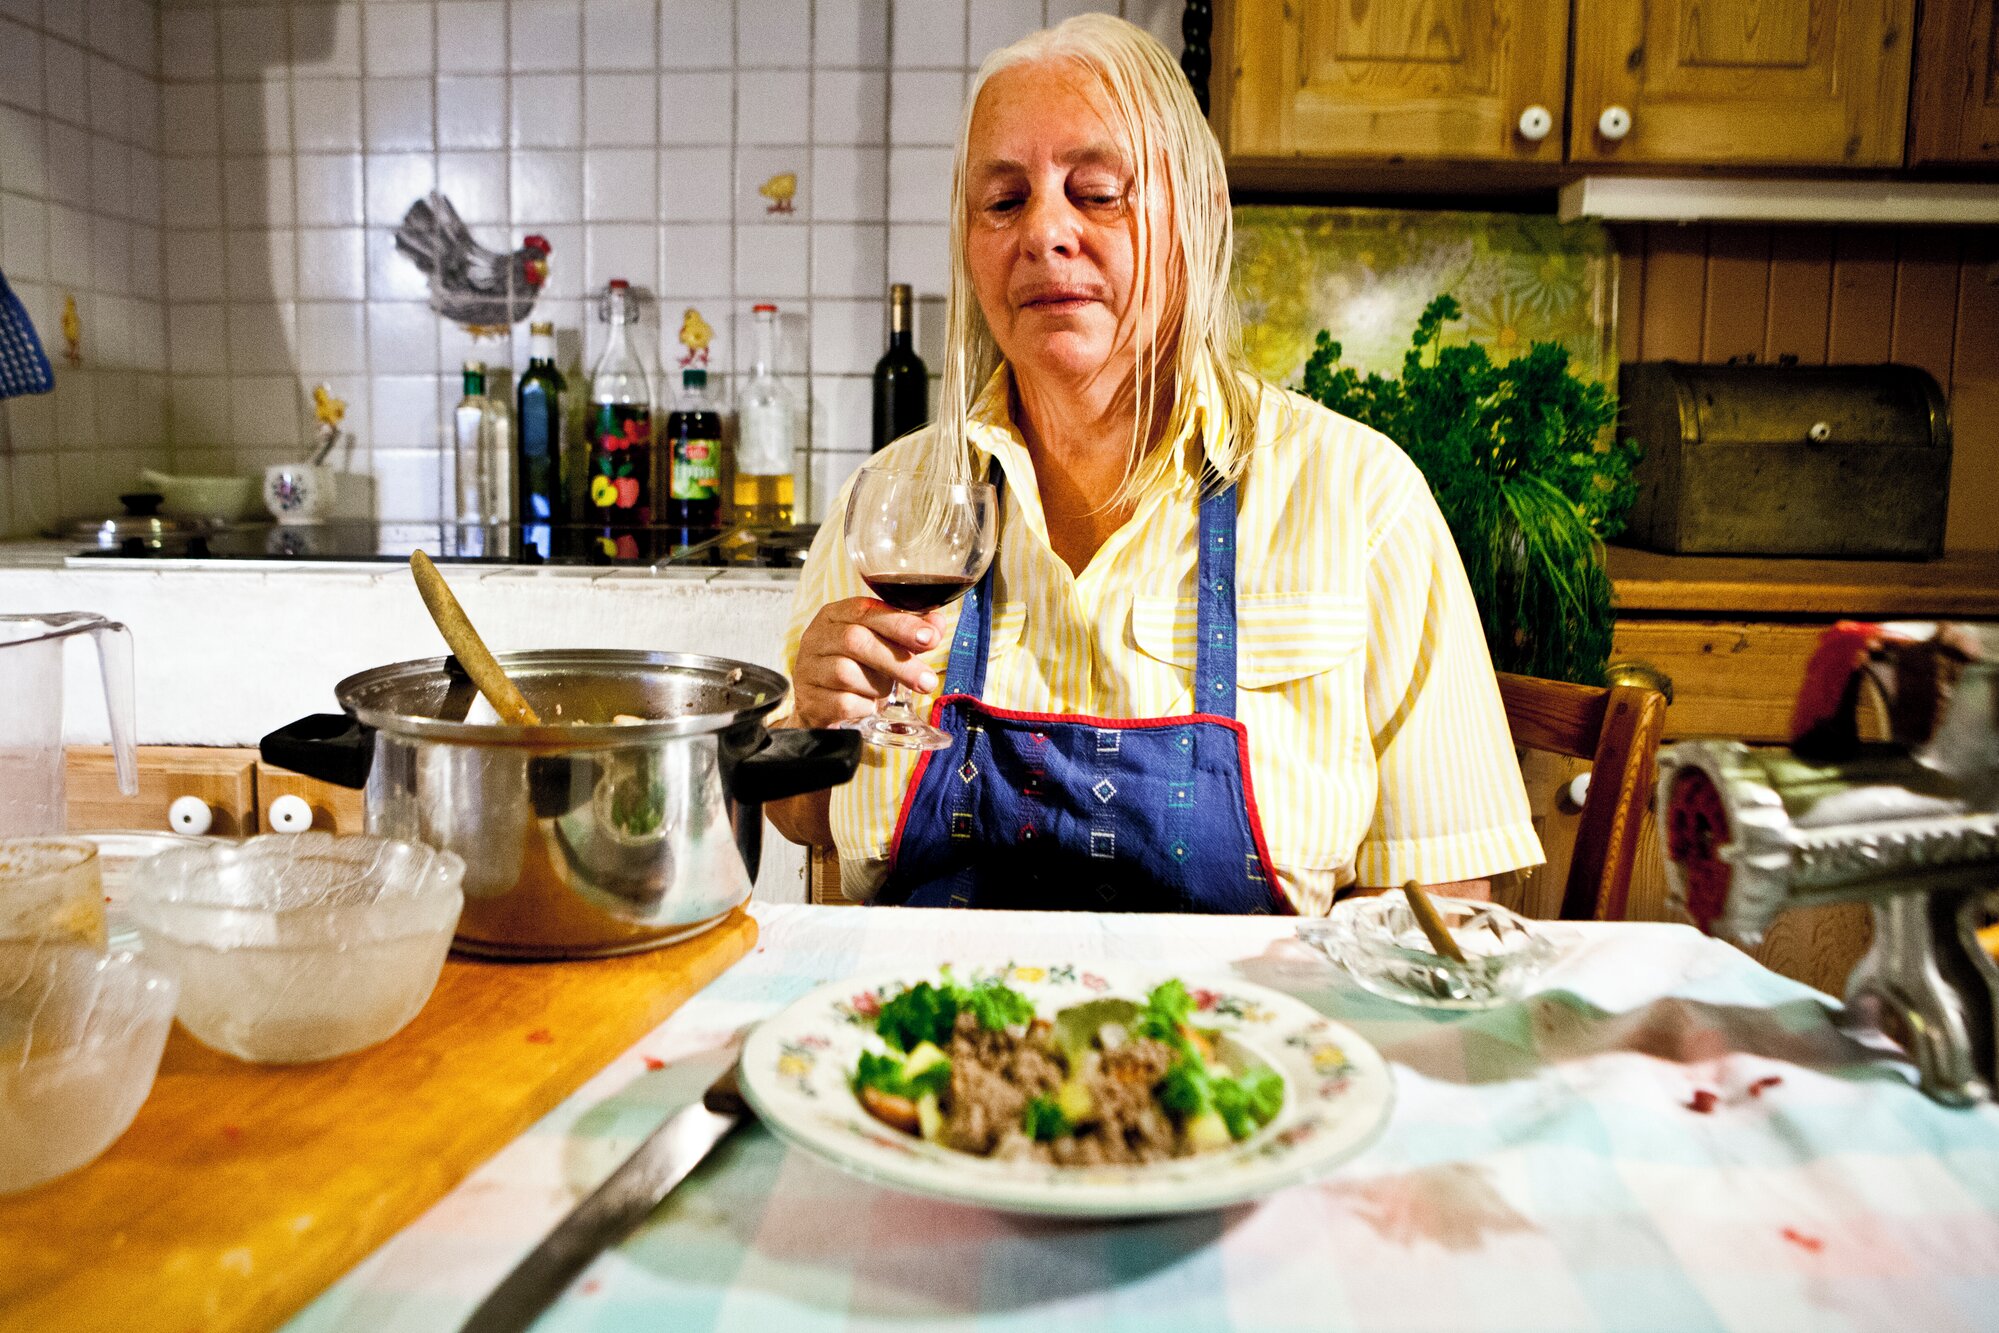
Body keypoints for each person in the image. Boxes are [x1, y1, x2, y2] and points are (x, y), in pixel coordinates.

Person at [768, 14, 1542, 914]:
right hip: (934, 1042)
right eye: (1003, 200)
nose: (1045, 232)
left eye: (1096, 191)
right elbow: (804, 816)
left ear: (1200, 217)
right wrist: (815, 729)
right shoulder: (895, 502)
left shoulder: (1360, 500)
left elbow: (1439, 895)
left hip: (1239, 1045)